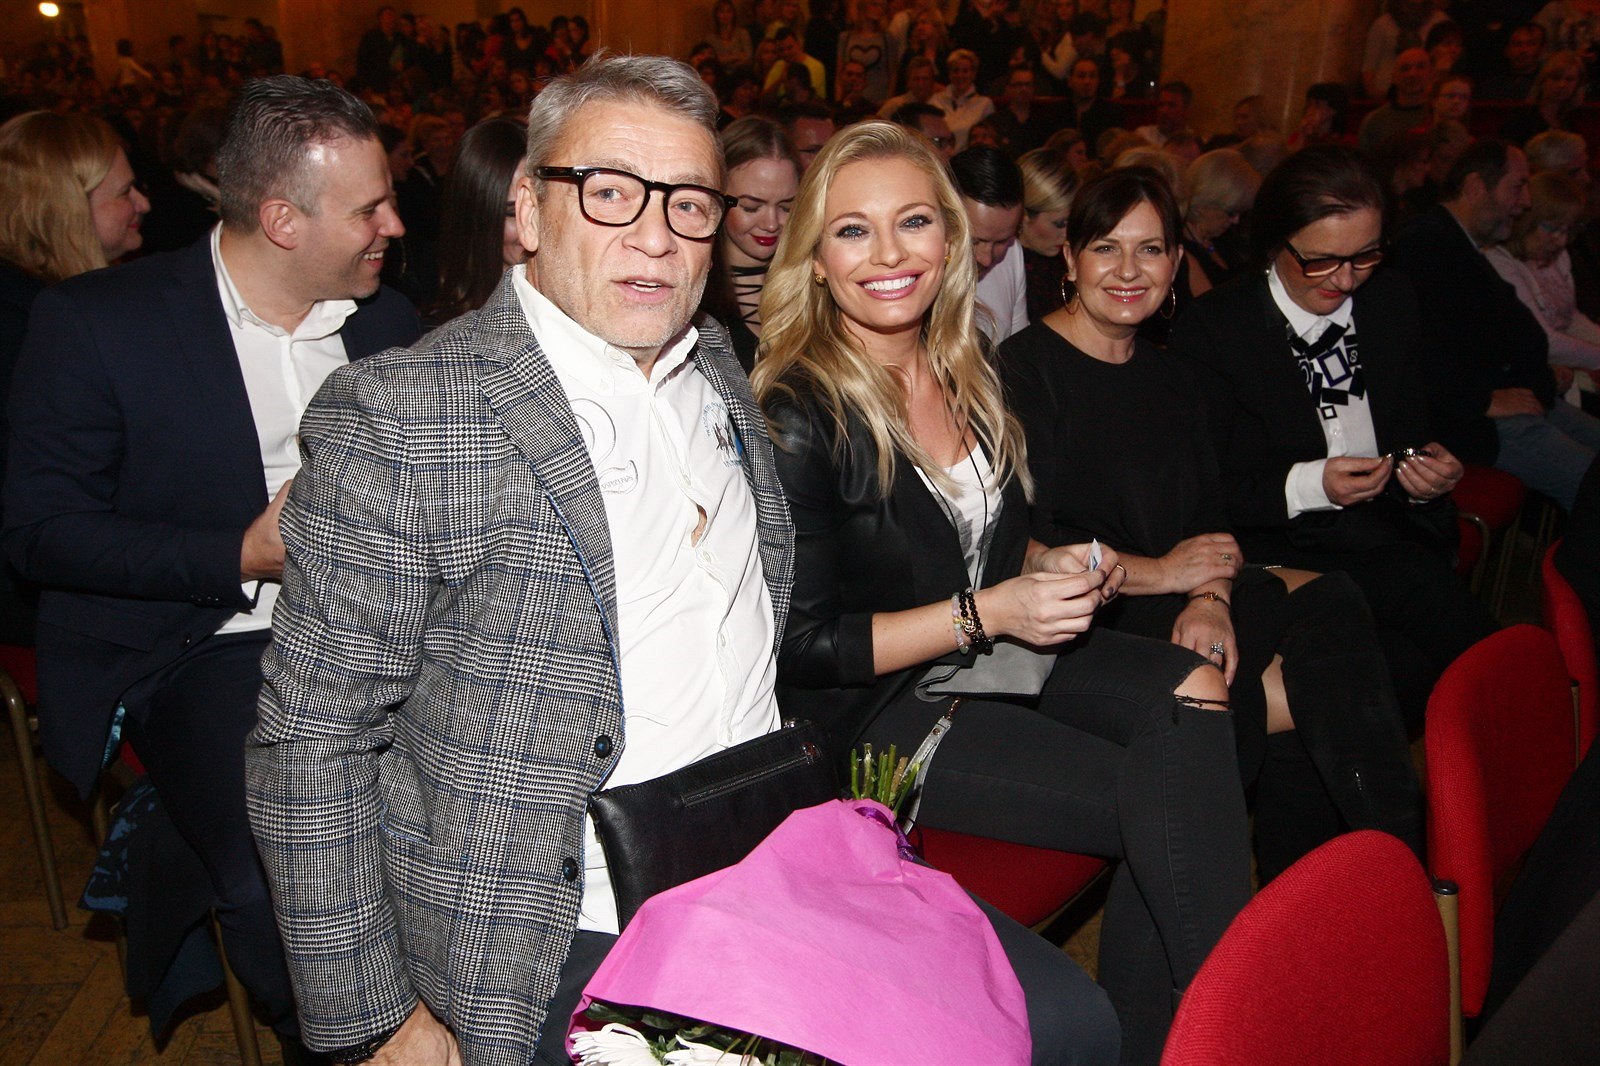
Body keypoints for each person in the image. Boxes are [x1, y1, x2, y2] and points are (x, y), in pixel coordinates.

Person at [244, 56, 1114, 1066]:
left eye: (689, 204)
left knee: (1072, 1026)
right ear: (527, 208)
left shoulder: (720, 372)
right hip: (563, 920)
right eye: (609, 192)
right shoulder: (409, 415)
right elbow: (310, 742)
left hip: (773, 854)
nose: (654, 236)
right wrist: (377, 1021)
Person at [753, 119, 1249, 1066]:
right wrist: (991, 611)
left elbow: (986, 546)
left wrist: (1047, 568)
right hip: (883, 714)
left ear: (952, 238)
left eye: (913, 222)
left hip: (992, 655)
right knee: (1170, 795)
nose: (889, 254)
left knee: (1194, 698)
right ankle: (1225, 1028)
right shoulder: (797, 411)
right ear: (814, 259)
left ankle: (1179, 1034)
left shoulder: (966, 364)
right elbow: (804, 648)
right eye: (853, 230)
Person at [3, 76, 420, 1062]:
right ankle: (354, 1043)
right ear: (282, 220)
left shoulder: (386, 322)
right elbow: (41, 534)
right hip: (209, 642)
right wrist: (241, 551)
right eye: (369, 209)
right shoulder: (99, 321)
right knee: (281, 872)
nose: (395, 226)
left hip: (392, 629)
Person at [998, 165, 1424, 884]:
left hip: (1177, 591)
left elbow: (1209, 521)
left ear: (1176, 263)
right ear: (1069, 259)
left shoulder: (1175, 378)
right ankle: (1378, 876)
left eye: (1151, 249)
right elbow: (1025, 547)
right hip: (1087, 616)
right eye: (1106, 248)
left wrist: (1208, 597)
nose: (1129, 271)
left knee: (1333, 601)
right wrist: (1170, 577)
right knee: (1301, 695)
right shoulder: (1019, 373)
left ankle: (1356, 873)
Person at [1171, 145, 1497, 727]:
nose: (1346, 280)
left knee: (1407, 657)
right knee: (1405, 638)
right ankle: (1537, 706)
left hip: (1385, 530)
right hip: (1277, 542)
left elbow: (1412, 433)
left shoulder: (1390, 300)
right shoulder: (1218, 328)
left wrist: (1427, 476)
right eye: (1321, 261)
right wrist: (1313, 483)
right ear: (1276, 242)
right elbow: (1205, 491)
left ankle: (1527, 721)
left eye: (1365, 255)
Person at [0, 111, 150, 646]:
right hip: (46, 600)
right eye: (124, 193)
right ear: (66, 208)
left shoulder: (65, 301)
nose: (143, 204)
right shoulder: (31, 326)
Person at [1389, 140, 1600, 513]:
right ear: (1475, 187)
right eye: (1517, 187)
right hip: (1472, 424)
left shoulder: (1456, 242)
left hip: (1516, 396)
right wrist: (1482, 401)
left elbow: (1508, 332)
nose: (1525, 202)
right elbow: (1415, 350)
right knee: (1593, 488)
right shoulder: (1425, 246)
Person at [1487, 171, 1600, 405]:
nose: (1562, 240)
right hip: (1527, 383)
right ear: (1528, 220)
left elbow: (1569, 318)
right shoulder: (1501, 262)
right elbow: (1544, 341)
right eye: (1554, 228)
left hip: (1563, 372)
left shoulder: (1557, 255)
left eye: (1568, 230)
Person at [702, 115, 802, 371]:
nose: (771, 223)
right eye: (751, 207)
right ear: (717, 199)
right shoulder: (697, 297)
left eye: (786, 207)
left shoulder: (812, 285)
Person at [427, 116, 528, 324]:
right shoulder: (448, 333)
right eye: (512, 212)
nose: (534, 224)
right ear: (476, 217)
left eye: (542, 204)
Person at [952, 145, 1030, 342]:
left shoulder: (1012, 253)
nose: (986, 259)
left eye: (1001, 241)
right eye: (974, 241)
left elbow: (1018, 347)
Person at [1017, 146, 1080, 320]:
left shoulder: (1066, 260)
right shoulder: (1001, 267)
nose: (1066, 234)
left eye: (1072, 223)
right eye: (1059, 224)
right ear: (1024, 214)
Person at [1502, 50, 1587, 146]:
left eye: (1569, 79)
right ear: (1543, 81)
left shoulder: (1573, 121)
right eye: (1556, 78)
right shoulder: (1522, 120)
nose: (1562, 85)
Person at [1358, 47, 1434, 153]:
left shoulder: (1439, 116)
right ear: (1393, 77)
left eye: (1420, 67)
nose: (1412, 74)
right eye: (1405, 68)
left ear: (1431, 74)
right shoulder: (1374, 121)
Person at [931, 48, 995, 151]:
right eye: (956, 71)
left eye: (965, 71)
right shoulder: (935, 100)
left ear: (973, 74)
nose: (960, 75)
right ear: (949, 74)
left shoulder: (985, 104)